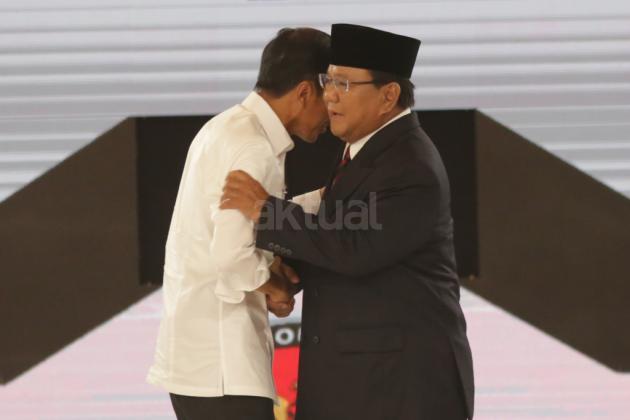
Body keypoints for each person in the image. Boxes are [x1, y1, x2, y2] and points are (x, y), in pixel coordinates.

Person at [220, 23, 475, 419]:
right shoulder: (364, 152)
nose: (330, 95)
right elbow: (339, 236)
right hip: (360, 384)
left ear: (389, 96)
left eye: (345, 84)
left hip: (402, 388)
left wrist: (266, 211)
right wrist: (285, 274)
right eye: (328, 81)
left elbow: (355, 248)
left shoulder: (411, 165)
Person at [146, 27, 330, 420]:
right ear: (304, 92)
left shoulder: (223, 128)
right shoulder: (254, 148)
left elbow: (226, 233)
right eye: (328, 92)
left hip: (196, 364)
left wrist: (319, 201)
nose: (332, 110)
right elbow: (231, 256)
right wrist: (274, 286)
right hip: (224, 369)